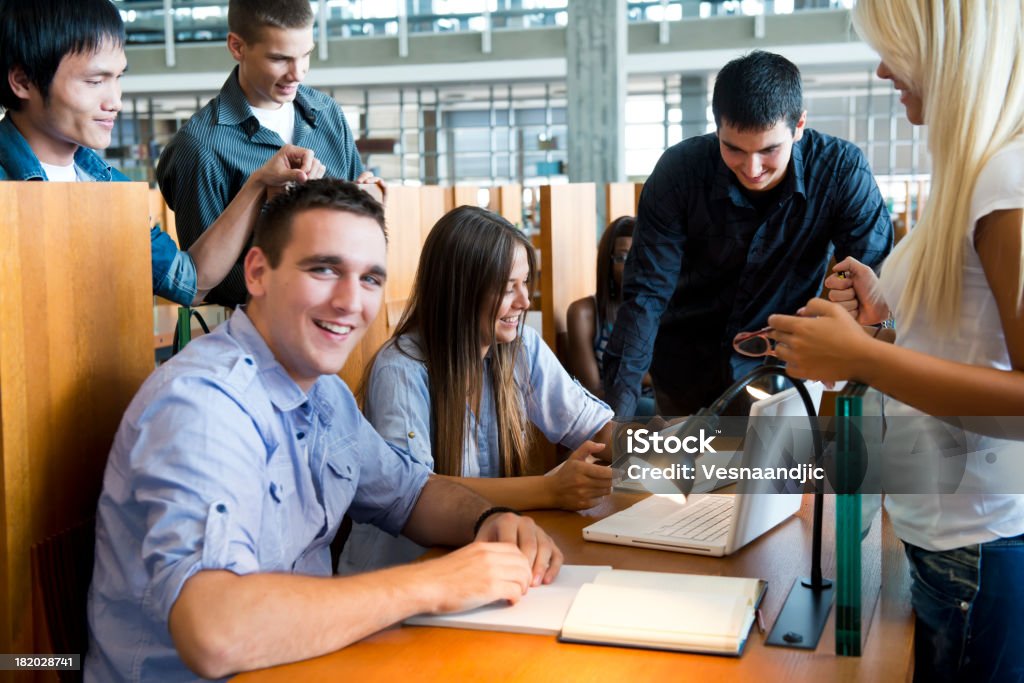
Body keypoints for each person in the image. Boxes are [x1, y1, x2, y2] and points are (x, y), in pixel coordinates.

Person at [86, 181, 563, 682]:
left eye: (371, 279)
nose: (349, 301)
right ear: (257, 273)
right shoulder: (203, 405)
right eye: (324, 269)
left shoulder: (325, 393)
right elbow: (216, 632)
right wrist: (435, 582)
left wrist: (488, 520)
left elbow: (410, 492)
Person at [768, 1, 1024, 680]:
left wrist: (863, 356)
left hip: (977, 551)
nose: (883, 68)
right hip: (950, 545)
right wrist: (885, 321)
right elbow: (970, 346)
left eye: (896, 49)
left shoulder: (1007, 179)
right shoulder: (978, 172)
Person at [602, 50, 893, 418]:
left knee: (780, 472)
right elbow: (645, 296)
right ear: (717, 126)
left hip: (784, 371)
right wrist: (616, 418)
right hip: (685, 367)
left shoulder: (840, 171)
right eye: (733, 149)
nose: (752, 168)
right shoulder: (680, 172)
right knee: (690, 473)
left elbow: (877, 283)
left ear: (799, 125)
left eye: (770, 150)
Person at [339, 206, 615, 575]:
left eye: (525, 283)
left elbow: (596, 428)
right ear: (459, 293)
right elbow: (416, 491)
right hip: (402, 574)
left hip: (479, 567)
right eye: (507, 288)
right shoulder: (401, 367)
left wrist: (682, 448)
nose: (524, 302)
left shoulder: (521, 347)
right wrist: (551, 490)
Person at [0, 0, 323, 307]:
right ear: (23, 81)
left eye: (118, 78)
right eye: (95, 81)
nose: (115, 101)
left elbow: (189, 283)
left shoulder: (112, 190)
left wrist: (257, 184)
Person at [157, 0, 380, 309]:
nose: (297, 73)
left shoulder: (328, 115)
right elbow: (203, 283)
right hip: (253, 336)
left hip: (344, 317)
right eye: (279, 59)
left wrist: (368, 198)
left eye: (306, 55)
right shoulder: (198, 147)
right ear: (237, 47)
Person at [566, 215, 656, 416]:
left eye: (638, 256)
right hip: (610, 409)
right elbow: (591, 389)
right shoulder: (584, 313)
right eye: (623, 258)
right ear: (607, 263)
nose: (633, 266)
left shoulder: (659, 309)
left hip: (659, 405)